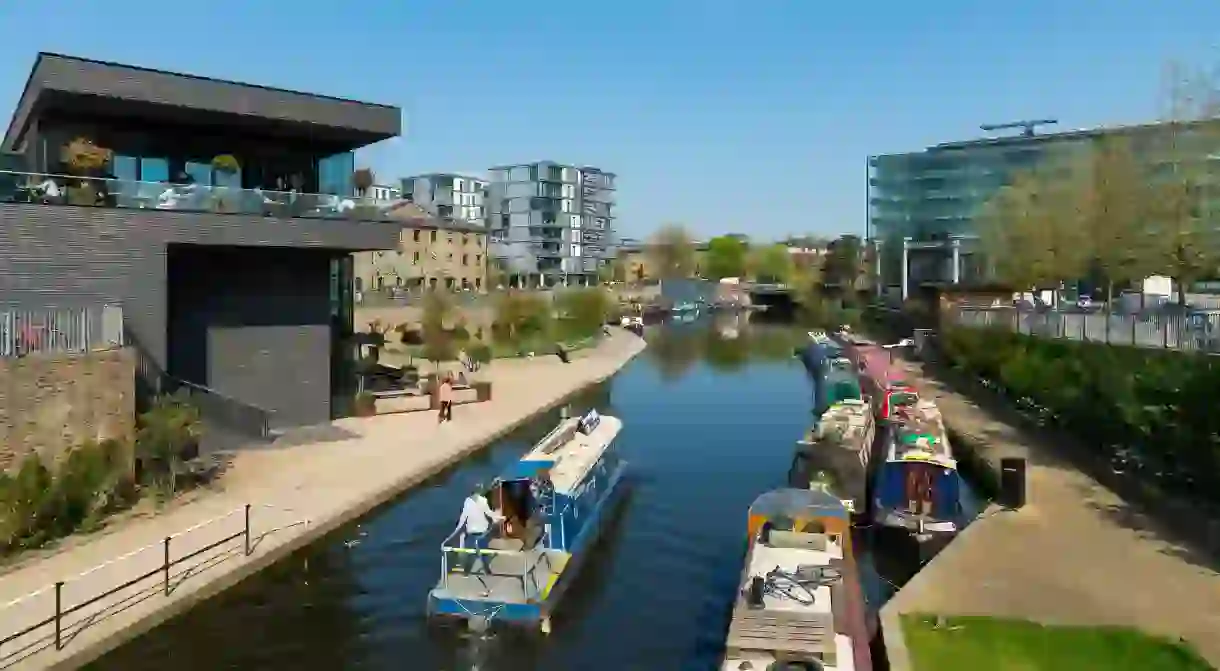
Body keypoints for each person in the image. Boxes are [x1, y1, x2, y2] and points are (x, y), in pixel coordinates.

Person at [453, 483, 505, 595]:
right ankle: (487, 570)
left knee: (470, 551)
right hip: (481, 531)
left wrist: (457, 529)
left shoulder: (467, 501)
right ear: (479, 490)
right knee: (484, 551)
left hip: (472, 531)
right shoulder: (482, 501)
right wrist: (499, 517)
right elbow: (489, 513)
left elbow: (464, 517)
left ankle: (466, 571)